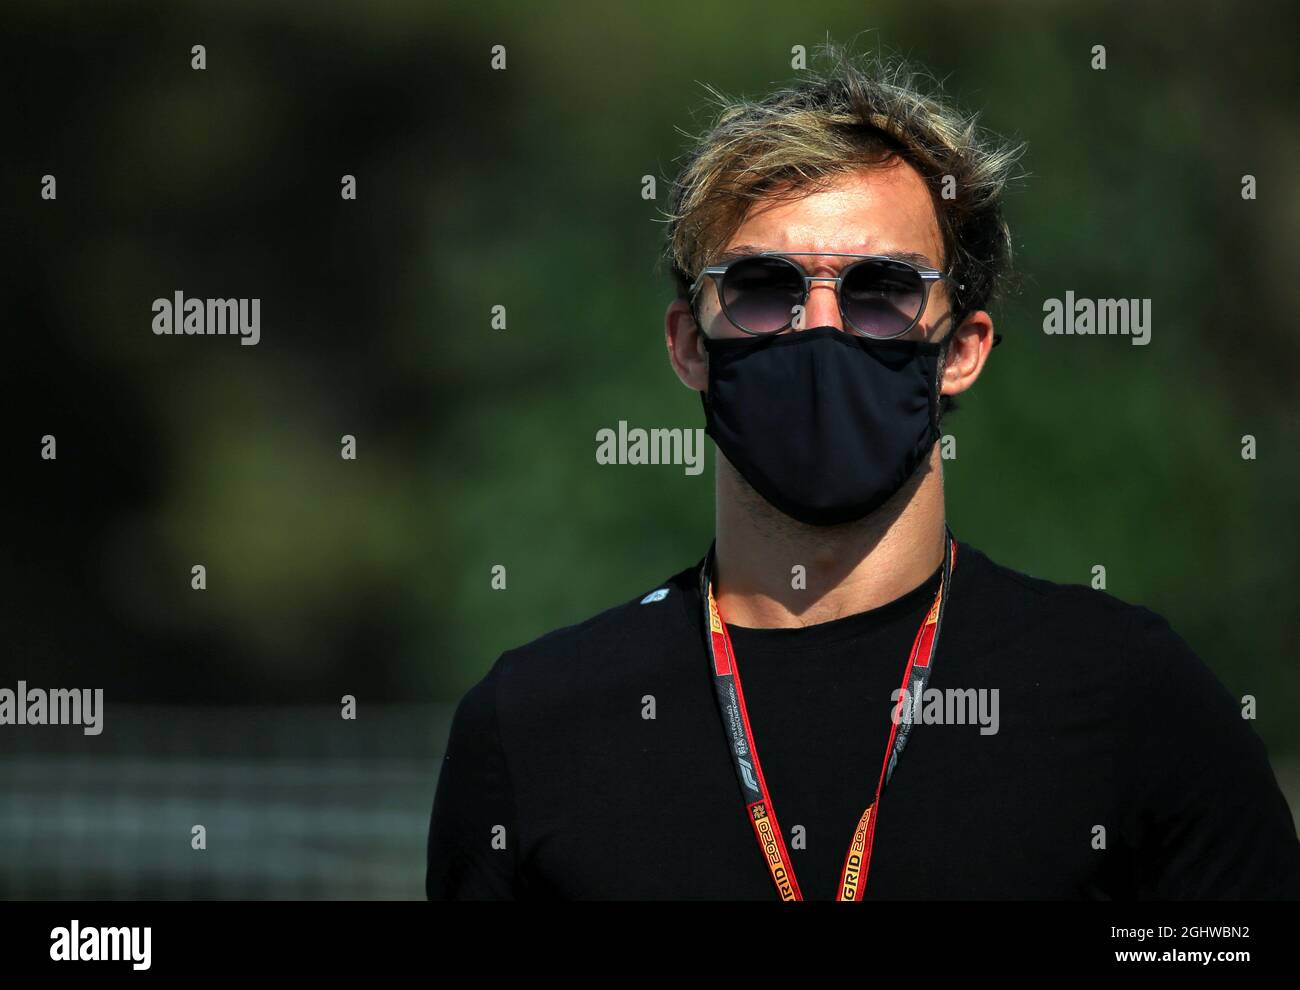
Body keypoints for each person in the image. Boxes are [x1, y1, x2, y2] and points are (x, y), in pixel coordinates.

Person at [425, 44, 1300, 900]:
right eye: (764, 290)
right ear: (690, 346)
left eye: (881, 293)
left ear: (961, 349)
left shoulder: (1131, 697)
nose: (820, 331)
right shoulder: (535, 724)